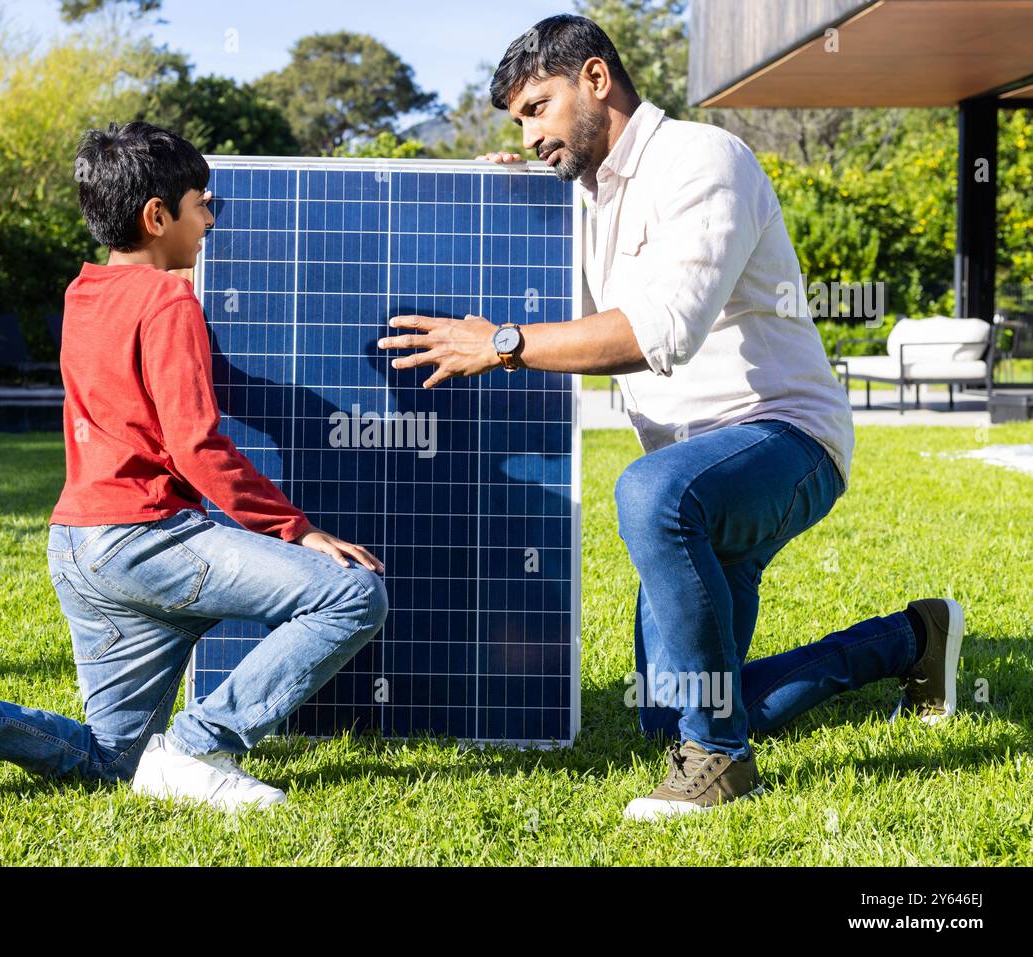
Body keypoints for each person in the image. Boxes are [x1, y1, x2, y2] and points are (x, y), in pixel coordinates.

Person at [377, 14, 964, 820]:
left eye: (537, 108)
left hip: (782, 437)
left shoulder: (702, 160)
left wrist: (503, 343)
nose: (532, 132)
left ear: (594, 78)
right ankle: (910, 641)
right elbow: (566, 323)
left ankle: (719, 763)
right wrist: (510, 215)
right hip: (698, 468)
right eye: (519, 121)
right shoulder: (581, 200)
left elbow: (661, 333)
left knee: (651, 496)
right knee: (672, 710)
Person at [0, 122, 387, 814]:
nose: (211, 220)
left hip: (77, 547)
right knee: (350, 594)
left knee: (112, 761)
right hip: (148, 540)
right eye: (202, 204)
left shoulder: (84, 294)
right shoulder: (169, 301)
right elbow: (197, 444)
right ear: (156, 216)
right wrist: (297, 530)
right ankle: (200, 745)